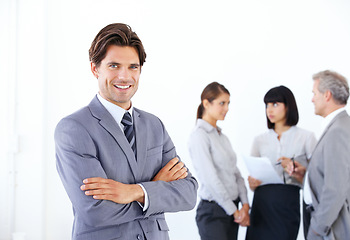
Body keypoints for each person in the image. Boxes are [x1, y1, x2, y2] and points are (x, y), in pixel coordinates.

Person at [54, 23, 198, 240]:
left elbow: (189, 193)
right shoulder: (74, 129)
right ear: (95, 69)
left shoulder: (154, 125)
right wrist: (156, 191)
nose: (125, 76)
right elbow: (96, 211)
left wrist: (135, 192)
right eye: (114, 66)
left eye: (133, 66)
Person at [289, 70, 350, 240]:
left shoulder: (339, 130)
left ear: (327, 95)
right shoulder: (340, 125)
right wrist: (307, 175)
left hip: (330, 229)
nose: (312, 99)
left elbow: (335, 190)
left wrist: (317, 229)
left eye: (314, 93)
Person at [245, 85, 317, 240]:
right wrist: (252, 183)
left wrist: (298, 171)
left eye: (275, 104)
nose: (269, 110)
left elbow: (316, 179)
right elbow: (252, 181)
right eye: (267, 105)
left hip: (287, 203)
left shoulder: (306, 137)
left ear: (288, 106)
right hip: (261, 205)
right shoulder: (259, 140)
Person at [188, 82, 250, 240]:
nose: (227, 108)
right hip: (213, 213)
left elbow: (236, 173)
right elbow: (210, 179)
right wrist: (234, 211)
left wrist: (245, 204)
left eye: (228, 103)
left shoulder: (223, 137)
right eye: (222, 103)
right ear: (206, 103)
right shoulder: (199, 136)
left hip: (232, 211)